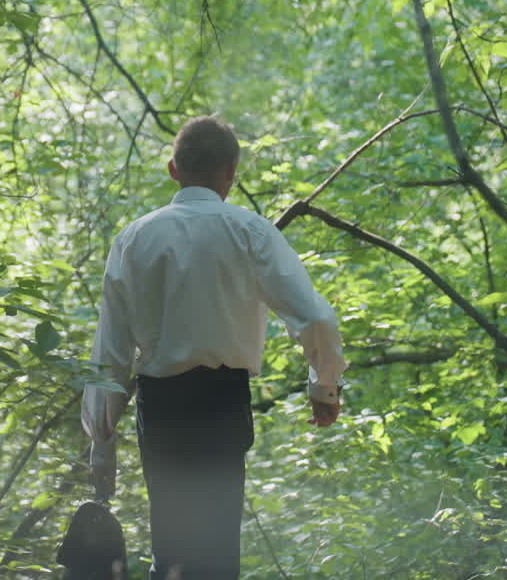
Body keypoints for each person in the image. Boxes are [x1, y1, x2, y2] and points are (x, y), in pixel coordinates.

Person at [81, 116, 348, 580]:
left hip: (161, 408)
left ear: (173, 170)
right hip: (222, 405)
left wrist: (101, 443)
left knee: (172, 549)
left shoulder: (135, 239)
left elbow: (112, 351)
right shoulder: (251, 232)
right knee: (219, 553)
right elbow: (318, 317)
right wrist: (324, 387)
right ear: (230, 173)